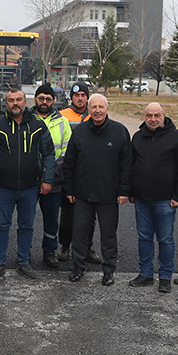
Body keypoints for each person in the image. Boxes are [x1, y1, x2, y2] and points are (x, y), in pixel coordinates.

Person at [0, 86, 55, 279]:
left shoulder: (38, 125)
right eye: (11, 100)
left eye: (19, 99)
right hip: (4, 187)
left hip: (30, 187)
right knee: (1, 225)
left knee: (26, 226)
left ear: (25, 102)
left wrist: (47, 180)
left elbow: (48, 154)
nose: (15, 103)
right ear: (5, 103)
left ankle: (23, 262)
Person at [62, 94, 131, 285]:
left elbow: (127, 165)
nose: (98, 110)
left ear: (107, 108)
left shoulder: (119, 131)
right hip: (82, 194)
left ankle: (108, 270)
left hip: (109, 194)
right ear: (89, 109)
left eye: (101, 107)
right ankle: (78, 267)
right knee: (80, 233)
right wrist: (69, 189)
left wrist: (124, 191)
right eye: (94, 107)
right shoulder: (80, 131)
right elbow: (70, 162)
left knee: (108, 235)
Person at [129, 102, 178, 293]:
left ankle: (165, 276)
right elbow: (132, 166)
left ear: (164, 116)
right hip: (142, 199)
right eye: (149, 116)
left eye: (157, 115)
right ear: (145, 116)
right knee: (144, 237)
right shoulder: (138, 137)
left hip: (166, 200)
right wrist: (132, 192)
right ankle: (146, 274)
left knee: (165, 239)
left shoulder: (177, 137)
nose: (153, 119)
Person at [57, 81, 99, 265]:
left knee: (90, 216)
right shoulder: (63, 115)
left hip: (90, 174)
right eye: (76, 95)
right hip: (69, 171)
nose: (80, 98)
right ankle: (65, 246)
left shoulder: (96, 115)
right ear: (71, 97)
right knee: (68, 214)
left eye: (83, 95)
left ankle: (87, 247)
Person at [32, 83, 71, 268]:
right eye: (41, 98)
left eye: (48, 99)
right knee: (26, 219)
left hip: (54, 181)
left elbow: (66, 152)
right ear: (35, 100)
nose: (45, 102)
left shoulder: (62, 122)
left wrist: (51, 174)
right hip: (29, 181)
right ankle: (23, 253)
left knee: (51, 220)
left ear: (53, 101)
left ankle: (49, 251)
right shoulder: (26, 119)